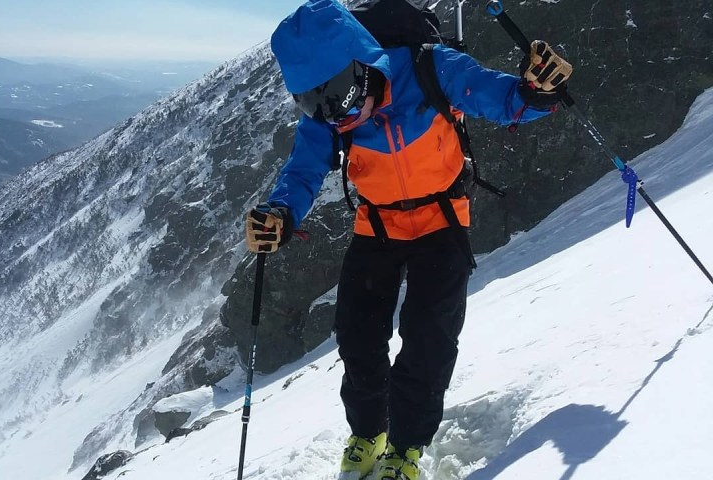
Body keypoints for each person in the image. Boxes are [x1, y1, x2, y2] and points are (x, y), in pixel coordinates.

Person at [244, 1, 572, 478]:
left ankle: (406, 448)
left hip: (441, 221)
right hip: (377, 225)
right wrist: (280, 212)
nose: (334, 114)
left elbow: (502, 99)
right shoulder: (332, 112)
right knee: (357, 337)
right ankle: (369, 432)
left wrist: (539, 90)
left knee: (428, 340)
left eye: (338, 95)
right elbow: (304, 168)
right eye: (312, 103)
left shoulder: (431, 68)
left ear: (365, 63)